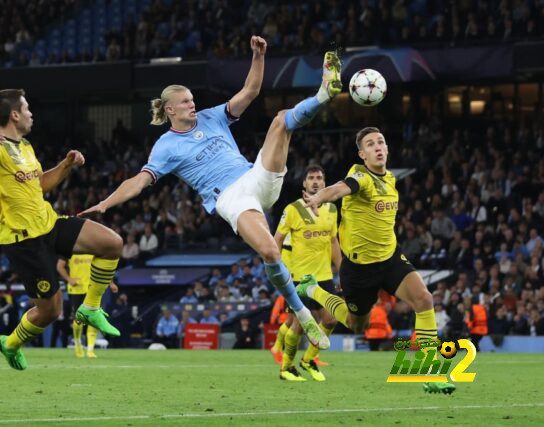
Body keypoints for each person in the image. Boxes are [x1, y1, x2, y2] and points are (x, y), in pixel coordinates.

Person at [80, 37, 343, 350]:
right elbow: (139, 181)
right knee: (270, 253)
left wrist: (258, 56)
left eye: (193, 99)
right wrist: (107, 202)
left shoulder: (212, 116)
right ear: (170, 109)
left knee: (279, 120)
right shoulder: (165, 147)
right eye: (187, 101)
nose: (193, 104)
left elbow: (250, 92)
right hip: (232, 199)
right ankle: (302, 313)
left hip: (256, 176)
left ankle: (324, 93)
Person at [0, 89, 124, 370]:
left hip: (49, 223)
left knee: (112, 243)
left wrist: (66, 165)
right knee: (51, 311)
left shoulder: (25, 147)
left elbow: (40, 185)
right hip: (24, 241)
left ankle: (91, 307)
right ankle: (10, 343)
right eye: (27, 108)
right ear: (14, 115)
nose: (31, 113)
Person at [299, 127, 455, 393]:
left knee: (424, 299)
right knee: (356, 324)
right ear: (362, 154)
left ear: (387, 148)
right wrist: (318, 197)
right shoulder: (361, 176)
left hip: (391, 258)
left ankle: (429, 371)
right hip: (359, 269)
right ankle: (313, 289)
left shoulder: (391, 179)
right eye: (370, 144)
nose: (378, 147)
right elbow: (339, 189)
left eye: (381, 142)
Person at [272, 165, 342, 382]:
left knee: (331, 320)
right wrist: (278, 269)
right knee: (301, 324)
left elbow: (333, 242)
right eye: (311, 178)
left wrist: (343, 272)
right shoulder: (292, 209)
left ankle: (309, 359)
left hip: (324, 277)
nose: (315, 182)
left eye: (319, 178)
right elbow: (277, 240)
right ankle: (286, 367)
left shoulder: (331, 210)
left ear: (324, 183)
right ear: (304, 183)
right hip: (300, 277)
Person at [57, 254, 117, 358]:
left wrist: (111, 283)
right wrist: (69, 279)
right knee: (78, 319)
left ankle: (90, 349)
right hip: (76, 289)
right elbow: (59, 266)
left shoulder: (95, 248)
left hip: (93, 288)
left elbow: (105, 267)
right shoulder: (72, 248)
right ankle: (78, 344)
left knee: (93, 318)